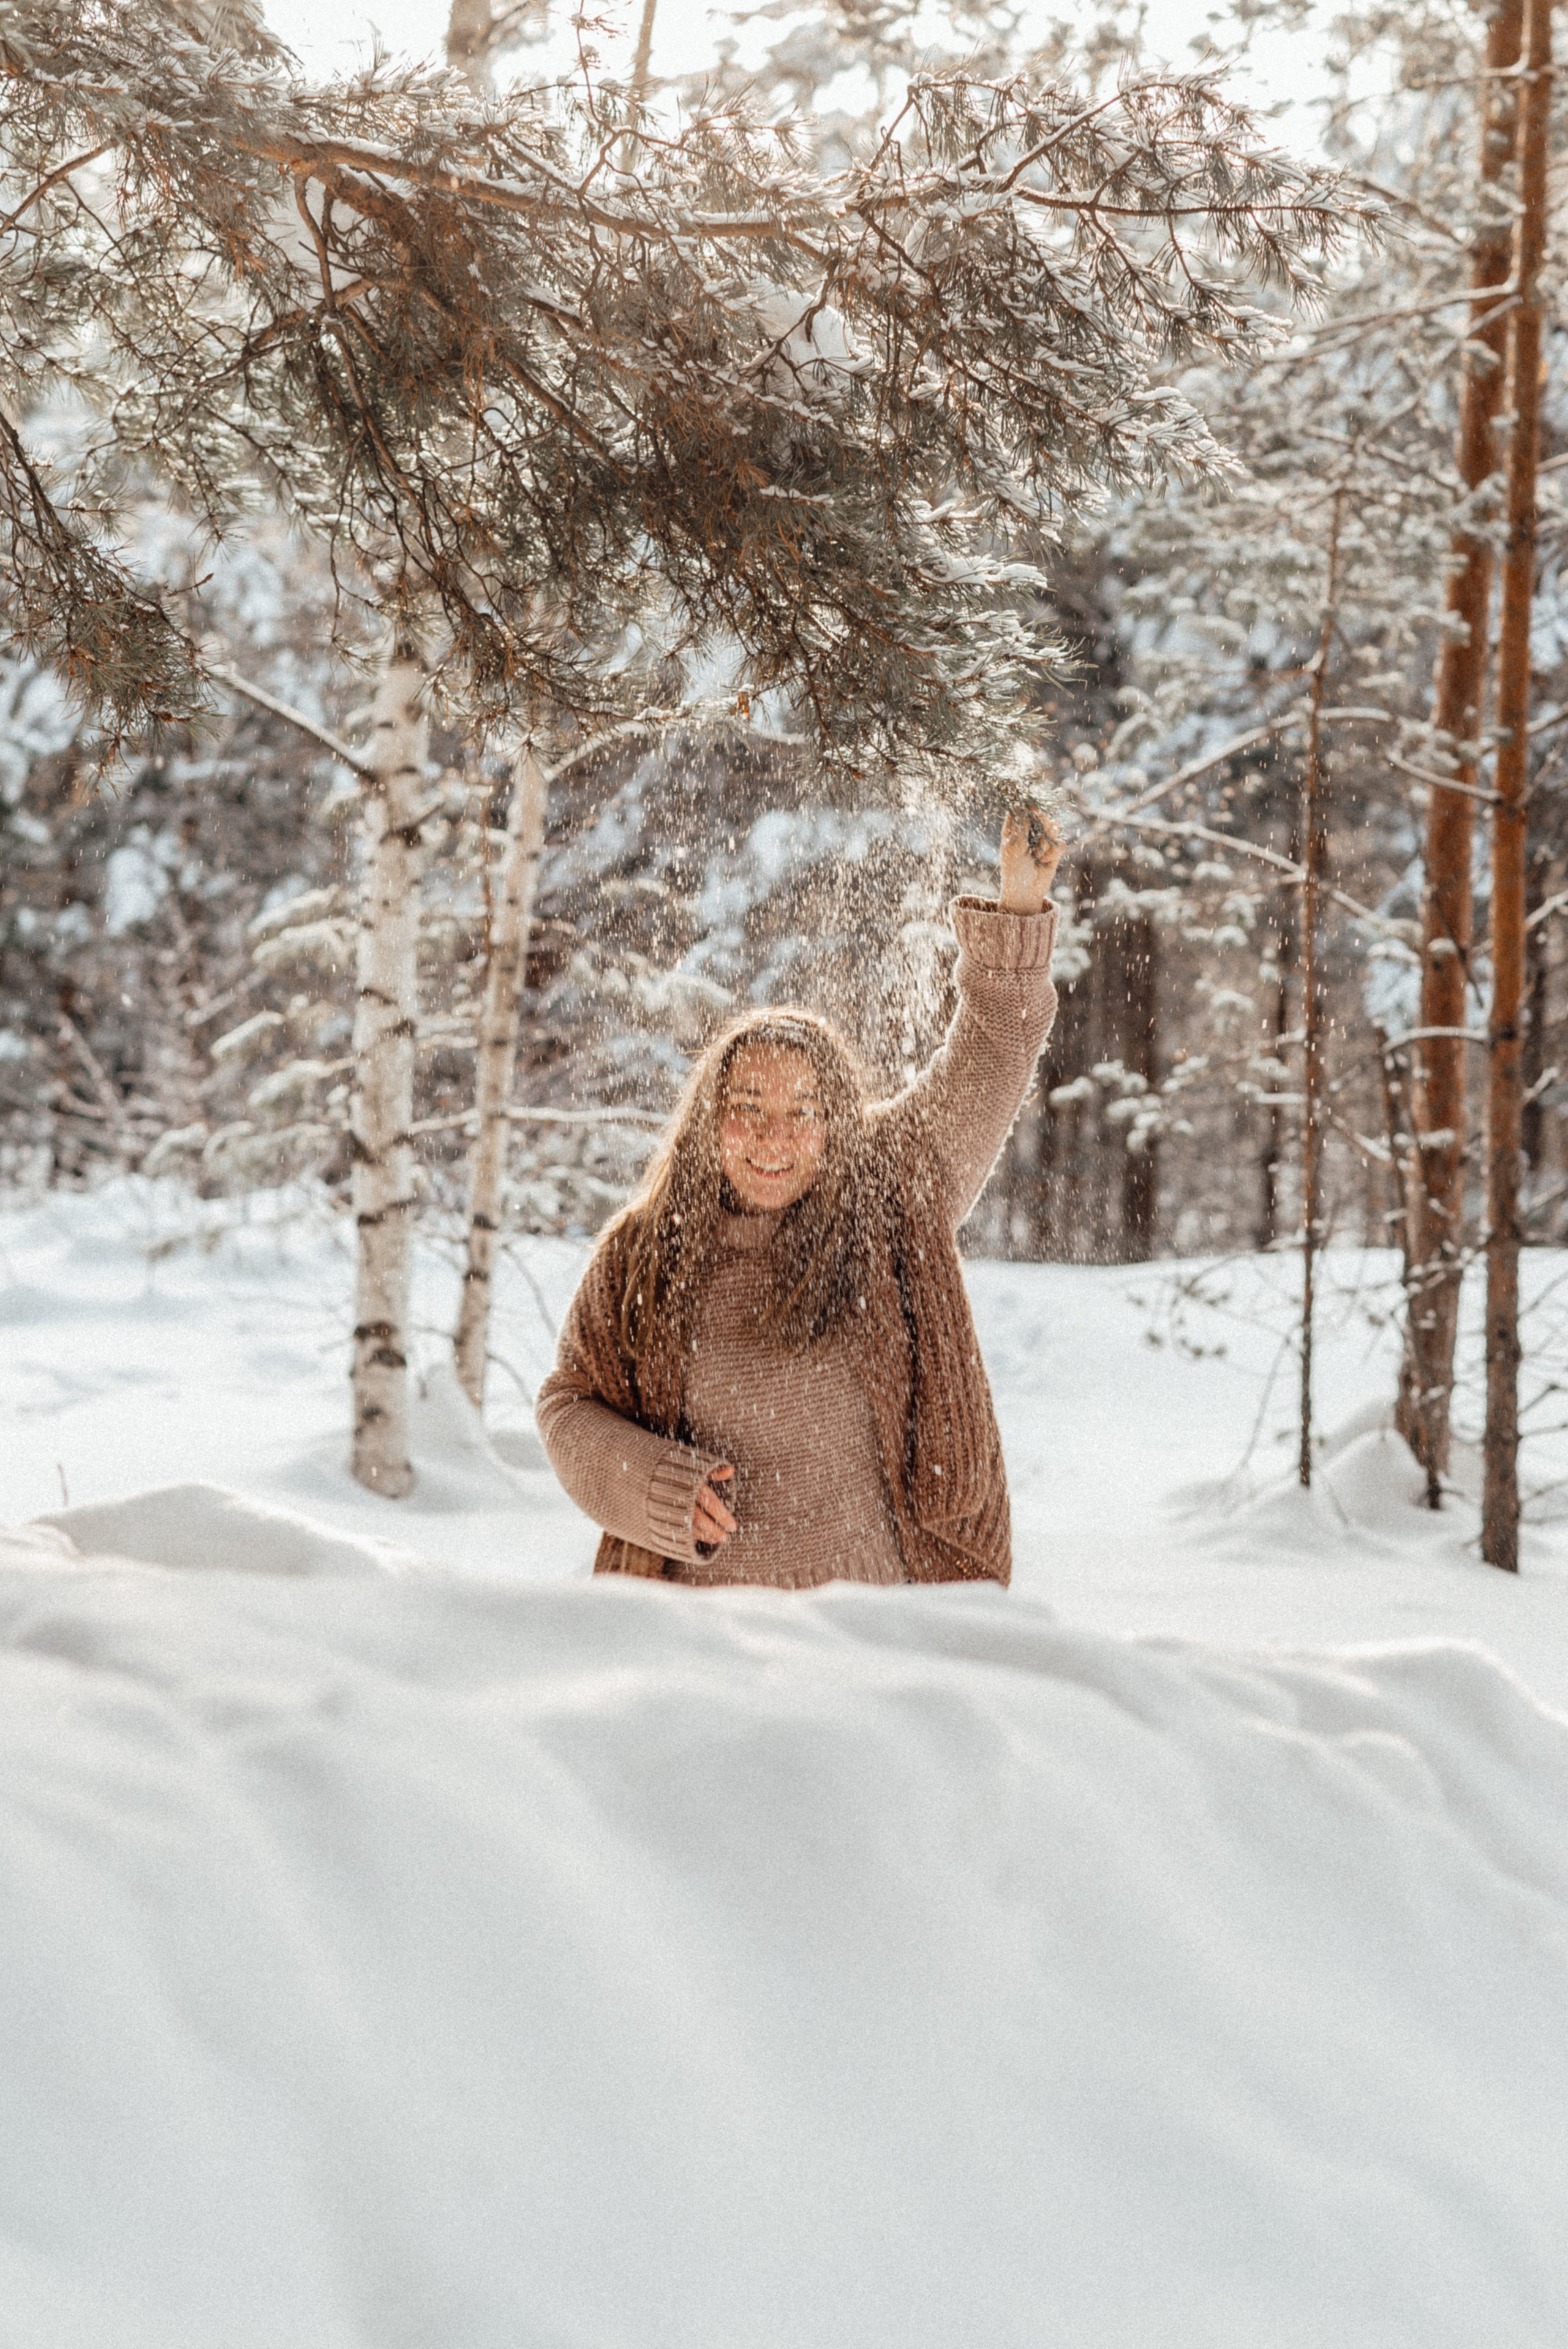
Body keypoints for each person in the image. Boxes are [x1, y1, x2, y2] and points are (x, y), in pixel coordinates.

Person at [537, 808, 1065, 1588]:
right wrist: (653, 1487)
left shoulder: (890, 1196)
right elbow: (568, 1407)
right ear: (709, 1121)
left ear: (837, 1125)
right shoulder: (642, 1251)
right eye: (746, 1107)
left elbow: (995, 1046)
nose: (770, 1138)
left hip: (878, 1637)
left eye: (801, 1113)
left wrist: (1019, 907)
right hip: (698, 1648)